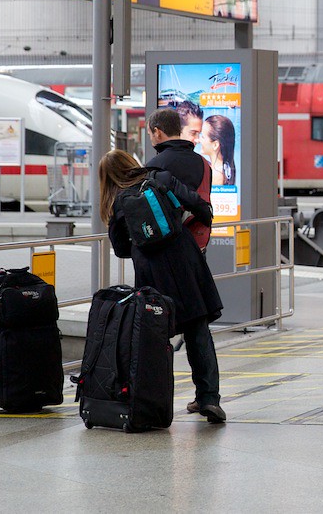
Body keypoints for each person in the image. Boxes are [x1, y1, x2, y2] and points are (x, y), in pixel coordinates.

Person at [99, 149, 226, 422]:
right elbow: (199, 205)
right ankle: (208, 398)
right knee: (197, 328)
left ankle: (155, 399)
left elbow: (121, 247)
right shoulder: (160, 178)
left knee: (154, 335)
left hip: (151, 270)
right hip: (184, 258)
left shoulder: (117, 201)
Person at [145, 108, 212, 252]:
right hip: (197, 243)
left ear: (157, 132)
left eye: (150, 134)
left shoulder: (154, 165)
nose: (150, 138)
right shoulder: (204, 163)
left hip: (167, 248)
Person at [201, 114, 236, 185]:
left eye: (202, 137)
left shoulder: (216, 175)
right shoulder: (223, 169)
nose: (198, 140)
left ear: (215, 145)